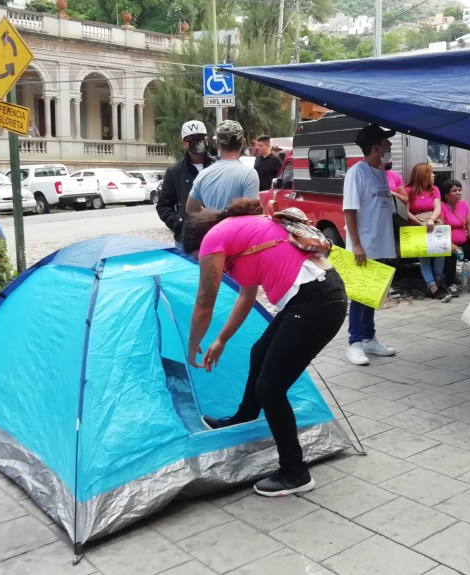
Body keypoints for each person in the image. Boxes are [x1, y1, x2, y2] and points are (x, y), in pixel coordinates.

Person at [185, 199, 348, 497]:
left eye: (198, 259)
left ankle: (294, 473)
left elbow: (205, 300)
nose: (202, 264)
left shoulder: (213, 238)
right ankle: (244, 417)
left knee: (271, 390)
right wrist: (221, 339)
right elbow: (246, 296)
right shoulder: (242, 231)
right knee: (259, 352)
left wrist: (193, 343)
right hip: (318, 295)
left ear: (200, 244)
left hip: (314, 301)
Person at [343, 124, 398, 366]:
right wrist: (356, 245)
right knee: (359, 296)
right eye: (386, 142)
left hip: (380, 244)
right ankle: (354, 343)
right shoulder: (357, 173)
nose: (390, 145)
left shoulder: (381, 171)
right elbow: (349, 210)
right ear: (376, 147)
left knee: (372, 294)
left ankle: (369, 338)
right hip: (364, 246)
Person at [158, 120, 215, 250]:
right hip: (187, 241)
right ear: (183, 143)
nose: (197, 141)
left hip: (216, 235)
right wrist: (179, 225)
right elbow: (163, 205)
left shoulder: (218, 167)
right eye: (191, 138)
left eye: (200, 137)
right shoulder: (174, 171)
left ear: (206, 139)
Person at [186, 121, 259, 215]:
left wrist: (213, 216)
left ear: (217, 144)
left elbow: (190, 209)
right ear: (243, 143)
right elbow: (252, 213)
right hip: (238, 225)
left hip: (211, 224)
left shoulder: (203, 174)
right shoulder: (249, 174)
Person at [404, 163, 449, 299]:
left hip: (433, 224)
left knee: (440, 254)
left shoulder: (435, 189)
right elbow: (406, 212)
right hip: (417, 227)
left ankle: (438, 282)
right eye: (431, 173)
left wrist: (431, 220)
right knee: (424, 258)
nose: (434, 175)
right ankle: (433, 287)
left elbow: (437, 208)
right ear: (423, 176)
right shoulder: (408, 190)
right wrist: (420, 223)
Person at [441, 179, 470, 296]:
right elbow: (440, 229)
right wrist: (450, 244)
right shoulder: (442, 207)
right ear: (446, 195)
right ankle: (451, 285)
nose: (458, 193)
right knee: (450, 255)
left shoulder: (464, 205)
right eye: (454, 191)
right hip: (448, 244)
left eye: (459, 190)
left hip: (463, 242)